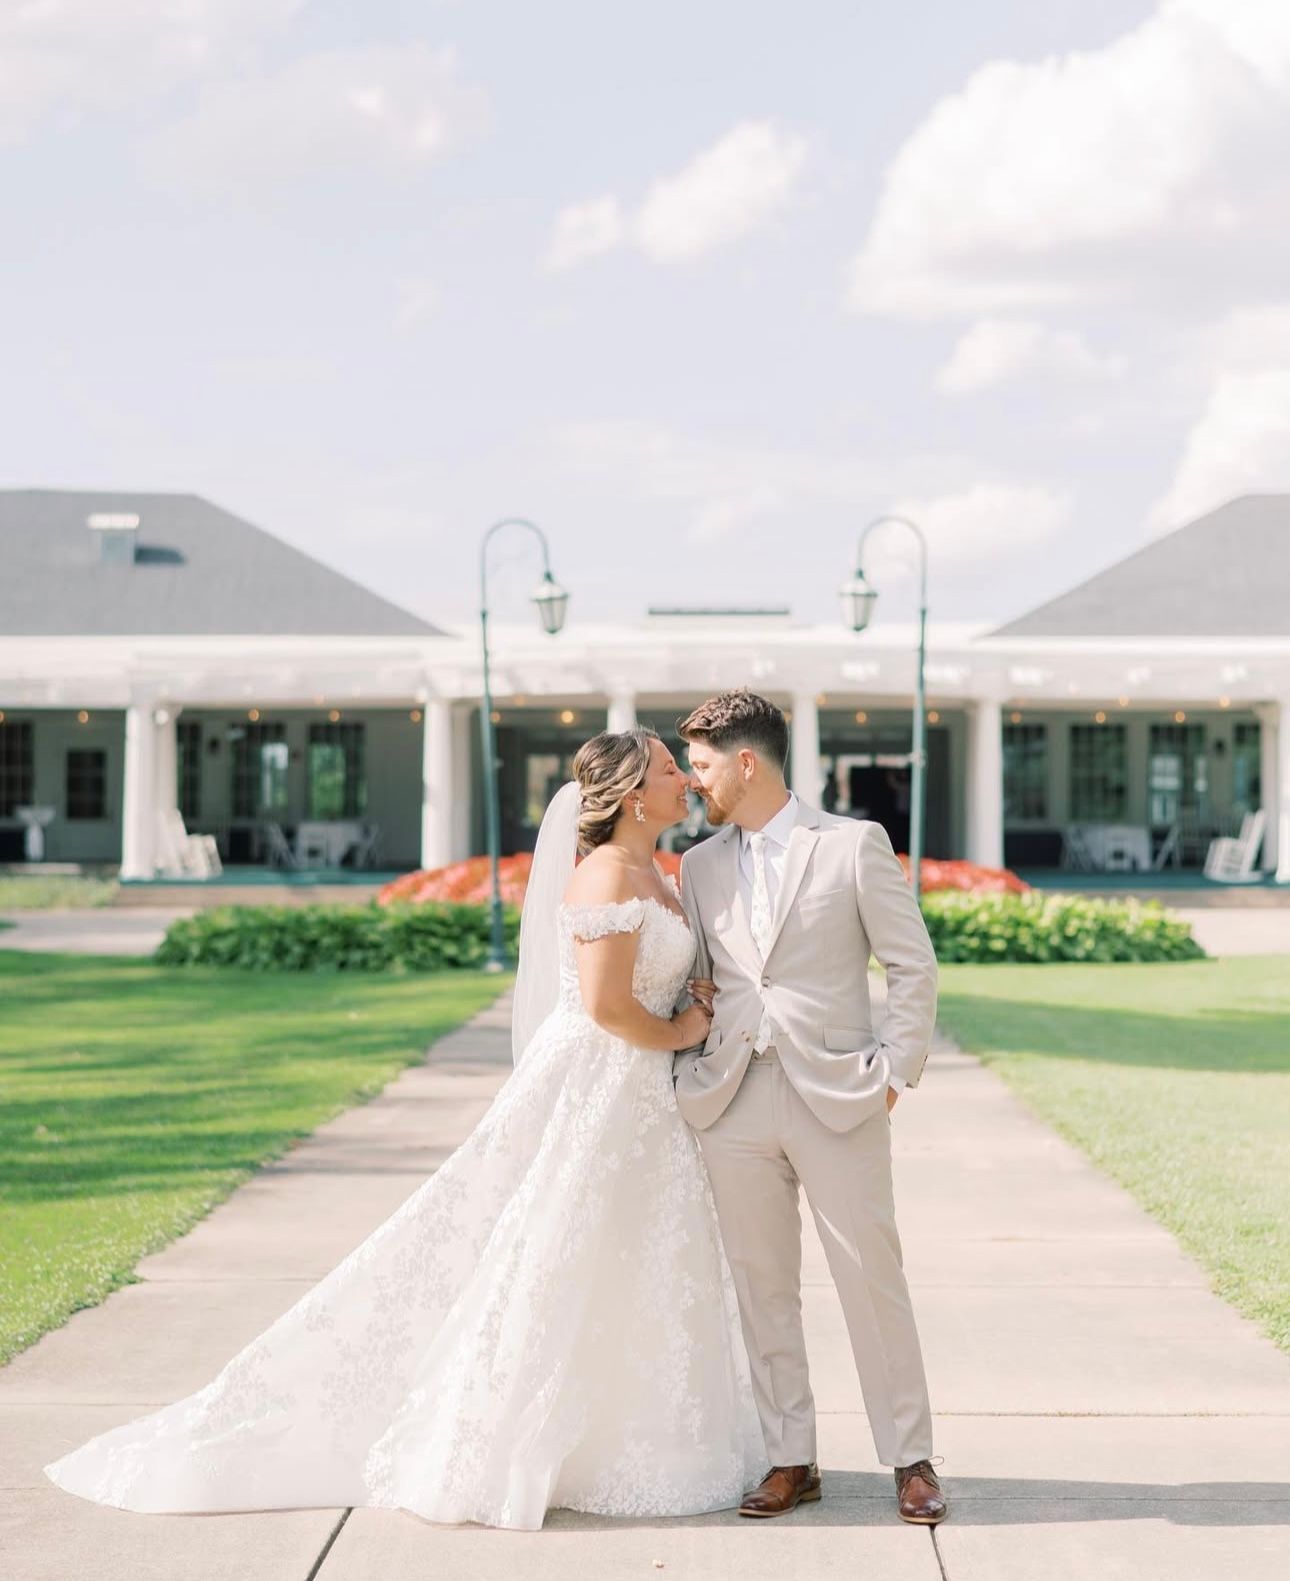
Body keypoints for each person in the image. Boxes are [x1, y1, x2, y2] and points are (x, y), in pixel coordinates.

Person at [44, 727, 769, 1531]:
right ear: (634, 794)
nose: (686, 782)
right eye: (673, 770)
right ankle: (514, 1440)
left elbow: (649, 980)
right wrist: (684, 1029)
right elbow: (605, 1007)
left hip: (640, 1100)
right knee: (556, 1252)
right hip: (597, 1089)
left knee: (632, 1259)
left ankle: (635, 1438)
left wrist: (692, 1000)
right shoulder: (605, 873)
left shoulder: (656, 871)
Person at [673, 689, 947, 1525]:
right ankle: (792, 1456)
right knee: (763, 1286)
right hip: (733, 1100)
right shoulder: (699, 865)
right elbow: (700, 977)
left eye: (704, 763)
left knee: (871, 1276)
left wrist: (896, 1070)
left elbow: (913, 965)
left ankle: (911, 1457)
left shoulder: (855, 845)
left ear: (746, 761)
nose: (693, 780)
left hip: (841, 1093)